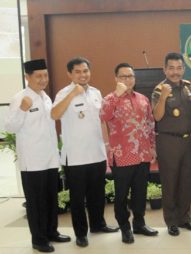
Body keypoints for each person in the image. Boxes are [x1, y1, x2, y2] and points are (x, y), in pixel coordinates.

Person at [4, 59, 71, 253]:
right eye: (38, 76)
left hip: (50, 158)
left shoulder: (46, 97)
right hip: (32, 161)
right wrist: (22, 109)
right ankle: (38, 239)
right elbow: (10, 126)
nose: (43, 80)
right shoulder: (20, 98)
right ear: (27, 77)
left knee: (51, 198)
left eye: (45, 75)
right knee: (36, 202)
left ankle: (52, 232)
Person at [51, 57, 119, 247]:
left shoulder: (96, 92)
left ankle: (98, 224)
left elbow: (103, 119)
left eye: (85, 71)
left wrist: (107, 144)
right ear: (70, 74)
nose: (83, 75)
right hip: (75, 156)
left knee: (97, 193)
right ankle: (81, 233)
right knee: (78, 198)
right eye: (78, 72)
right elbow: (54, 114)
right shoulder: (63, 93)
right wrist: (73, 94)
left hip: (96, 152)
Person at [100, 63, 159, 243]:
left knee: (140, 192)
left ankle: (139, 223)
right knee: (121, 194)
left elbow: (150, 124)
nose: (127, 80)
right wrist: (117, 95)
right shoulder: (110, 98)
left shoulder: (143, 99)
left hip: (142, 154)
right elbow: (103, 116)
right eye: (123, 76)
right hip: (122, 155)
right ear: (116, 78)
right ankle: (124, 227)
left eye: (130, 76)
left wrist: (152, 146)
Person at [151, 52, 191, 236]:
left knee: (186, 181)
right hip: (168, 140)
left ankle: (185, 219)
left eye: (179, 68)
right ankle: (171, 221)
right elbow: (157, 116)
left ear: (183, 69)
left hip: (187, 141)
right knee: (170, 182)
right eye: (171, 68)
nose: (175, 72)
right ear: (164, 69)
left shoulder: (187, 87)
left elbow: (190, 114)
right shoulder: (158, 89)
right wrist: (163, 96)